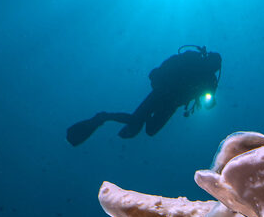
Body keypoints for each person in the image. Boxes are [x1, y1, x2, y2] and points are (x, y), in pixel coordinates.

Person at [66, 45, 222, 146]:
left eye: (215, 67)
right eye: (212, 64)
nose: (212, 69)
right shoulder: (192, 60)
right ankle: (103, 117)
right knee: (134, 126)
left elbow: (208, 100)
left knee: (150, 130)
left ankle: (138, 119)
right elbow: (169, 66)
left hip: (172, 104)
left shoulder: (210, 80)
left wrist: (210, 100)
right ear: (208, 59)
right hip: (161, 93)